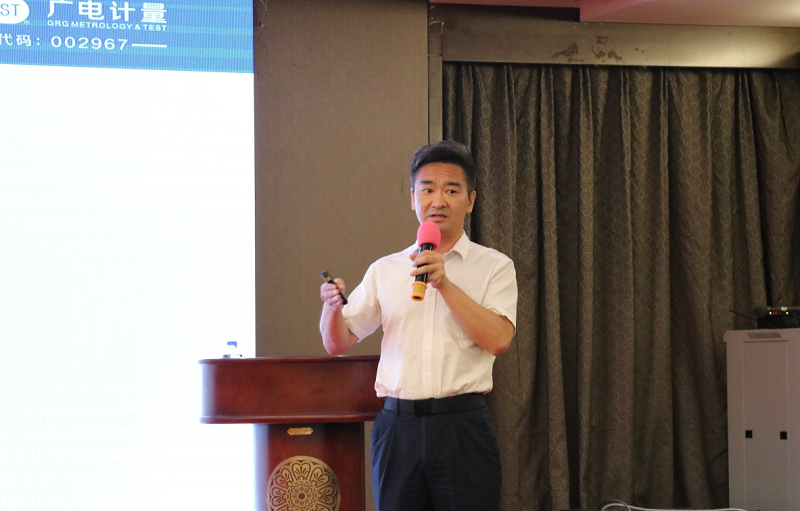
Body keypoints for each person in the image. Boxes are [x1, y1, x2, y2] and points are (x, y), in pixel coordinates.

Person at [319, 140, 518, 511]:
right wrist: (332, 308)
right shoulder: (385, 270)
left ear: (470, 201)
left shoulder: (494, 266)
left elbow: (499, 340)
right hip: (398, 429)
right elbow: (338, 342)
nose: (438, 200)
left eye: (451, 190)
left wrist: (445, 284)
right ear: (413, 198)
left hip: (462, 427)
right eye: (427, 189)